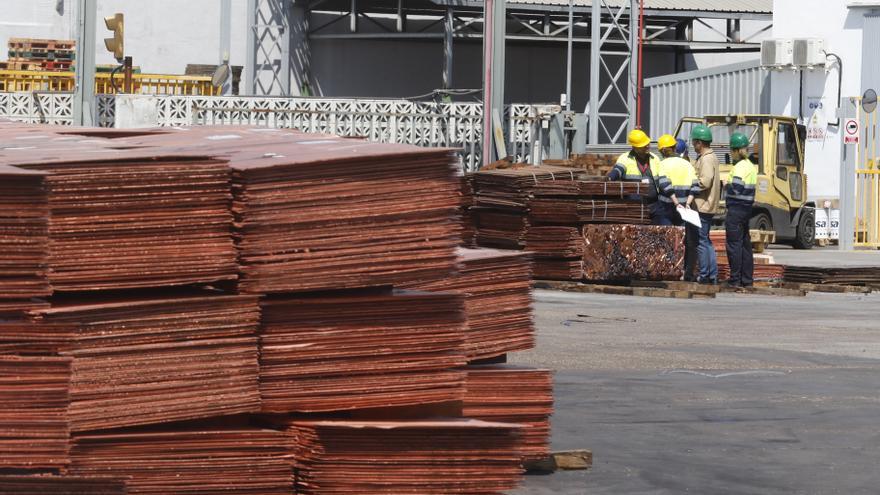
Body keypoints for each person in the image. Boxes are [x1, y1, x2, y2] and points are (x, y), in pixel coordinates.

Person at [656, 134, 701, 282]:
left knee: (668, 240)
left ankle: (669, 271)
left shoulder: (662, 165)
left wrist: (675, 202)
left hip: (667, 208)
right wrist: (688, 203)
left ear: (662, 151)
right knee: (683, 241)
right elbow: (695, 186)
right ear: (675, 148)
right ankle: (683, 272)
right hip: (685, 210)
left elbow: (664, 185)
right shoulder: (687, 164)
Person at [607, 129, 663, 224]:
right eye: (643, 145)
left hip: (654, 206)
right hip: (633, 207)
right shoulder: (625, 158)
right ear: (635, 147)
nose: (647, 146)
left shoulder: (655, 158)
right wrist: (609, 178)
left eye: (647, 143)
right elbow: (618, 170)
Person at [724, 132, 758, 288]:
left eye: (732, 150)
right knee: (745, 245)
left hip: (736, 209)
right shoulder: (751, 166)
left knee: (734, 245)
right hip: (746, 209)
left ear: (737, 150)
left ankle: (735, 279)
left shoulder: (738, 167)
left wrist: (726, 185)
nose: (731, 153)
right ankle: (747, 279)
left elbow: (736, 188)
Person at [691, 125, 721, 285]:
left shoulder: (707, 159)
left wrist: (691, 185)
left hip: (703, 205)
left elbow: (706, 181)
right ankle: (712, 275)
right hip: (707, 205)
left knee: (702, 241)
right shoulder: (711, 157)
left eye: (694, 142)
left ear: (700, 143)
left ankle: (705, 275)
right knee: (706, 240)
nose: (693, 145)